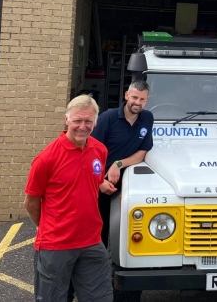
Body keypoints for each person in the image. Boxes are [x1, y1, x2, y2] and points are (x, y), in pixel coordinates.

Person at [67, 80, 154, 302]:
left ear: (147, 100)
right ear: (126, 95)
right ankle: (70, 290)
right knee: (91, 239)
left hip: (125, 191)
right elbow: (88, 153)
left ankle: (108, 290)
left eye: (142, 99)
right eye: (134, 97)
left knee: (121, 242)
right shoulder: (107, 118)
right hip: (99, 188)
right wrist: (99, 182)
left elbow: (142, 153)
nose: (137, 102)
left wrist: (118, 164)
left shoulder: (147, 119)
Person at [23, 94, 115, 302]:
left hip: (92, 242)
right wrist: (47, 226)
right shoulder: (46, 159)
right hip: (56, 246)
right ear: (67, 120)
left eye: (88, 121)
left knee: (100, 298)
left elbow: (94, 180)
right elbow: (31, 203)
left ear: (95, 122)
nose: (83, 126)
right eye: (77, 121)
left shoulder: (100, 150)